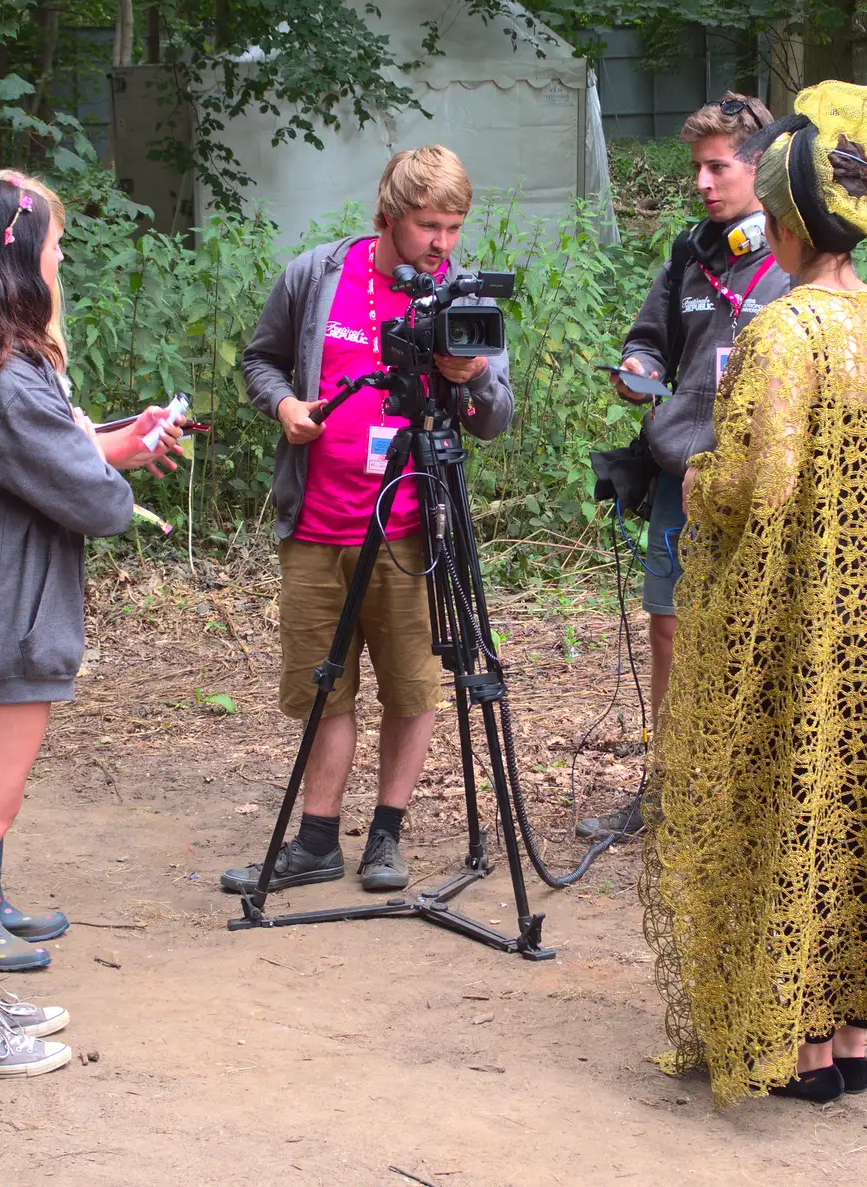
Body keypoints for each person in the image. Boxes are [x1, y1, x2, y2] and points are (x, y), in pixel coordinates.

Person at [638, 82, 867, 1108]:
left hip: (793, 619)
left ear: (785, 223)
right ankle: (852, 1034)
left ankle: (794, 1044)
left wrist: (700, 481)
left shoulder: (787, 332)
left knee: (789, 796)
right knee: (865, 804)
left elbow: (763, 483)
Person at [0, 172, 183, 1077]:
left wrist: (100, 441)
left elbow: (32, 459)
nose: (62, 263)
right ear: (19, 260)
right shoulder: (2, 376)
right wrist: (107, 463)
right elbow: (91, 500)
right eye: (55, 248)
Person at [220, 145, 513, 897]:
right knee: (325, 688)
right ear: (386, 217)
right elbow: (261, 361)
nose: (442, 244)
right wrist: (284, 405)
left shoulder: (463, 299)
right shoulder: (316, 276)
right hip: (318, 523)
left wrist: (472, 379)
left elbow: (495, 420)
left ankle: (387, 832)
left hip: (416, 530)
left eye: (453, 227)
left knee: (412, 688)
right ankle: (317, 837)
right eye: (427, 227)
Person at [578, 92, 792, 841]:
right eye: (695, 168)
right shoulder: (688, 256)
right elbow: (650, 340)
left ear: (759, 167)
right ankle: (670, 789)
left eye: (716, 167)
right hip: (681, 477)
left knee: (762, 631)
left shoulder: (794, 257)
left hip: (766, 484)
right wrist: (637, 365)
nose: (701, 182)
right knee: (669, 628)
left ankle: (753, 796)